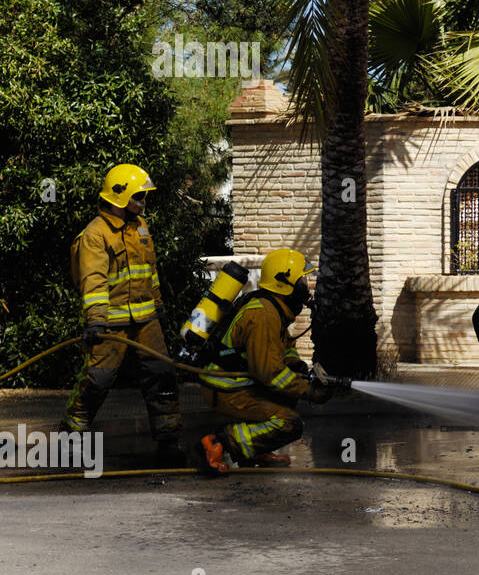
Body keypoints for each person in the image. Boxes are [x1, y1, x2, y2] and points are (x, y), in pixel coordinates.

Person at [64, 163, 185, 465]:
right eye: (139, 195)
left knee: (163, 378)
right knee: (98, 380)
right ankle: (70, 438)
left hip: (146, 321)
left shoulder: (139, 226)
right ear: (120, 197)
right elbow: (94, 281)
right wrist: (95, 320)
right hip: (111, 323)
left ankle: (168, 442)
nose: (143, 201)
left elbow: (150, 272)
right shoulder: (96, 234)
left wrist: (158, 306)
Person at [195, 248, 336, 474]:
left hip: (235, 380)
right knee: (290, 423)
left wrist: (299, 370)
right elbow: (268, 373)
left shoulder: (273, 307)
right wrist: (308, 390)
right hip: (225, 386)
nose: (306, 286)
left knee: (288, 396)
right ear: (286, 282)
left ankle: (254, 449)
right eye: (302, 279)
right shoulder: (264, 314)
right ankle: (217, 444)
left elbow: (284, 347)